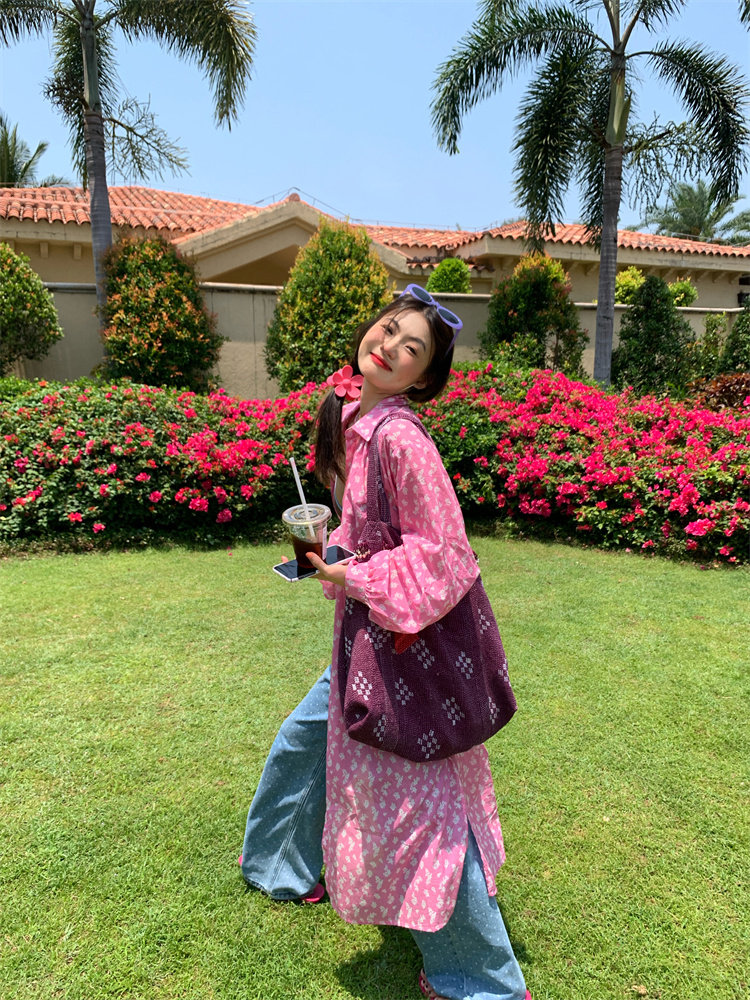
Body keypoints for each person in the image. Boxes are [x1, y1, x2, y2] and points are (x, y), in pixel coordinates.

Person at [240, 286, 531, 1000]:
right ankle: (281, 866)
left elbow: (445, 557)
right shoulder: (354, 419)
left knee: (423, 808)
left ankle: (480, 982)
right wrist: (333, 552)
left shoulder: (402, 438)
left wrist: (356, 574)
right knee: (307, 740)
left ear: (423, 378)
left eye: (413, 348)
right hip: (366, 639)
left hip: (405, 650)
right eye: (390, 329)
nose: (392, 346)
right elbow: (371, 525)